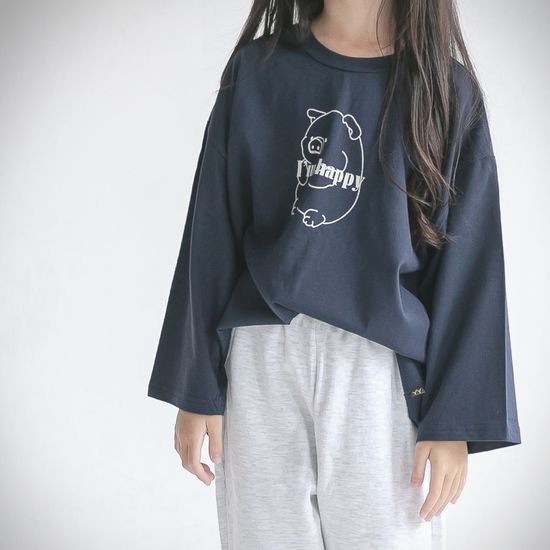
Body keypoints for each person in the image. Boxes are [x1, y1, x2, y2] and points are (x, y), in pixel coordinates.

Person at [147, 1, 522, 548]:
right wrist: (197, 385)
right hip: (262, 363)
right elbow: (212, 233)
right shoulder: (259, 70)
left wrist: (453, 421)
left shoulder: (444, 89)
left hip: (382, 376)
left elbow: (472, 267)